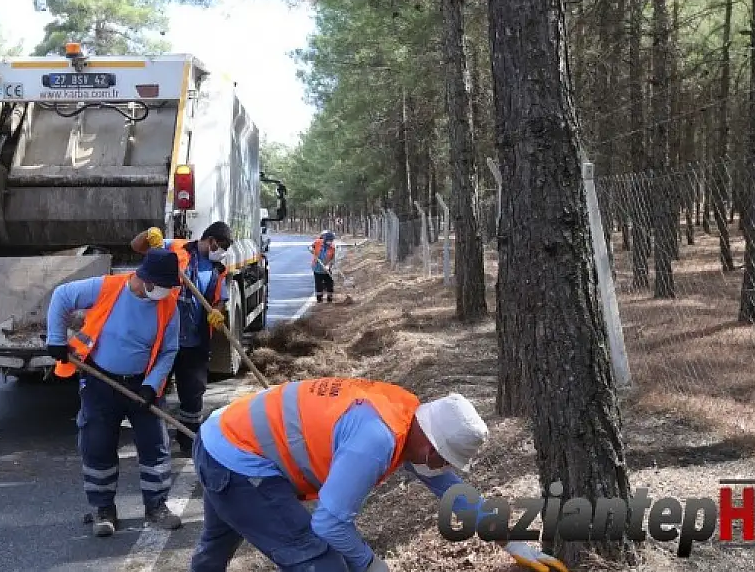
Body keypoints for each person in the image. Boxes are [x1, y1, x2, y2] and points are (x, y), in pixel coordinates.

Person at [186, 376, 502, 572]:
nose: (443, 470)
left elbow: (450, 489)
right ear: (433, 450)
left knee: (216, 545)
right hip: (237, 460)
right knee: (320, 563)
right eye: (445, 462)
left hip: (222, 433)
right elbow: (329, 522)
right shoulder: (377, 440)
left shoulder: (407, 416)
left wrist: (509, 540)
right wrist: (369, 563)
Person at [45, 248, 185, 537]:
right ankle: (102, 509)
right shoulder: (106, 288)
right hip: (100, 382)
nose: (167, 291)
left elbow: (169, 351)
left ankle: (157, 506)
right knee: (97, 445)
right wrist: (56, 339)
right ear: (146, 280)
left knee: (155, 446)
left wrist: (152, 385)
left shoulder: (169, 305)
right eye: (163, 286)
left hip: (141, 386)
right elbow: (61, 296)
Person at [131, 222, 233, 456]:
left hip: (194, 341)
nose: (222, 251)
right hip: (164, 337)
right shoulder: (172, 248)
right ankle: (154, 440)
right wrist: (148, 235)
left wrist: (217, 312)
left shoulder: (218, 269)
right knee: (154, 389)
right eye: (222, 246)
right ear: (212, 240)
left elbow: (219, 299)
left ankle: (188, 441)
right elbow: (136, 246)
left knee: (193, 392)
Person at [310, 230, 337, 303]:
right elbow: (311, 247)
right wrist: (312, 250)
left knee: (330, 283)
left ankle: (329, 298)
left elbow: (333, 259)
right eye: (329, 241)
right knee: (319, 284)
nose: (330, 242)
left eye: (331, 241)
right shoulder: (318, 242)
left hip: (326, 269)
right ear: (325, 240)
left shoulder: (332, 247)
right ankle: (319, 299)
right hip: (317, 268)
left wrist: (328, 265)